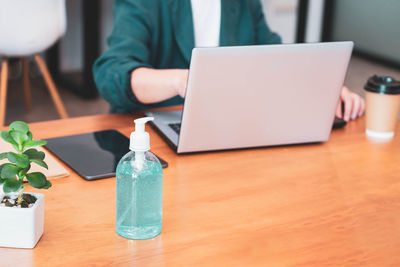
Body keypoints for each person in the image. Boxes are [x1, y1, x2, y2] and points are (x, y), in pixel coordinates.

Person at [93, 0, 365, 122]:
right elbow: (112, 73)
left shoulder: (244, 4)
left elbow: (276, 57)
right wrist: (181, 80)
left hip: (228, 122)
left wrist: (323, 86)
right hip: (156, 130)